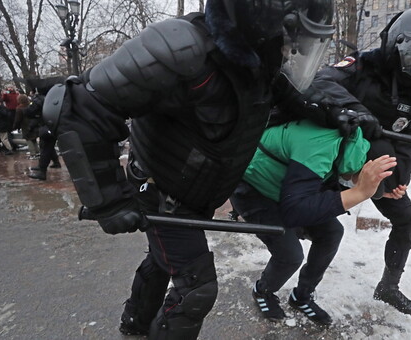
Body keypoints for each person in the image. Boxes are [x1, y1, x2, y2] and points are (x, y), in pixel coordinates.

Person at [42, 1, 337, 339]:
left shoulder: (259, 58)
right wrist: (108, 200)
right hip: (160, 188)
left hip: (196, 188)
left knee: (162, 259)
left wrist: (334, 113)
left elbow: (285, 93)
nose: (289, 49)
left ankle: (135, 325)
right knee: (196, 288)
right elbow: (78, 105)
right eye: (290, 37)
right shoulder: (183, 47)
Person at [290, 6, 411, 319]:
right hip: (333, 156)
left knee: (407, 223)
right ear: (398, 45)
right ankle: (302, 287)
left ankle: (389, 287)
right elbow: (316, 82)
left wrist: (397, 179)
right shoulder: (364, 65)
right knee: (311, 222)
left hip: (380, 165)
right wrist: (357, 112)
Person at [230, 119, 397, 325]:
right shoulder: (321, 145)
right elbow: (296, 212)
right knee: (289, 255)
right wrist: (360, 191)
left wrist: (386, 189)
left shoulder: (351, 147)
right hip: (254, 187)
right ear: (363, 166)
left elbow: (332, 182)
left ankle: (302, 295)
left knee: (332, 233)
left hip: (286, 186)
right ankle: (263, 290)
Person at [27, 89, 61, 181]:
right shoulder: (56, 97)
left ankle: (42, 171)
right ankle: (52, 164)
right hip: (52, 125)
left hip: (47, 125)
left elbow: (30, 111)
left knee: (45, 148)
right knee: (48, 147)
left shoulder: (39, 99)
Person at [14, 94, 40, 158]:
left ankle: (33, 153)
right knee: (33, 139)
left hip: (25, 125)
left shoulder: (19, 108)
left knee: (28, 139)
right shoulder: (31, 106)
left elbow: (18, 120)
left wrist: (15, 126)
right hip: (33, 124)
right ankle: (38, 152)